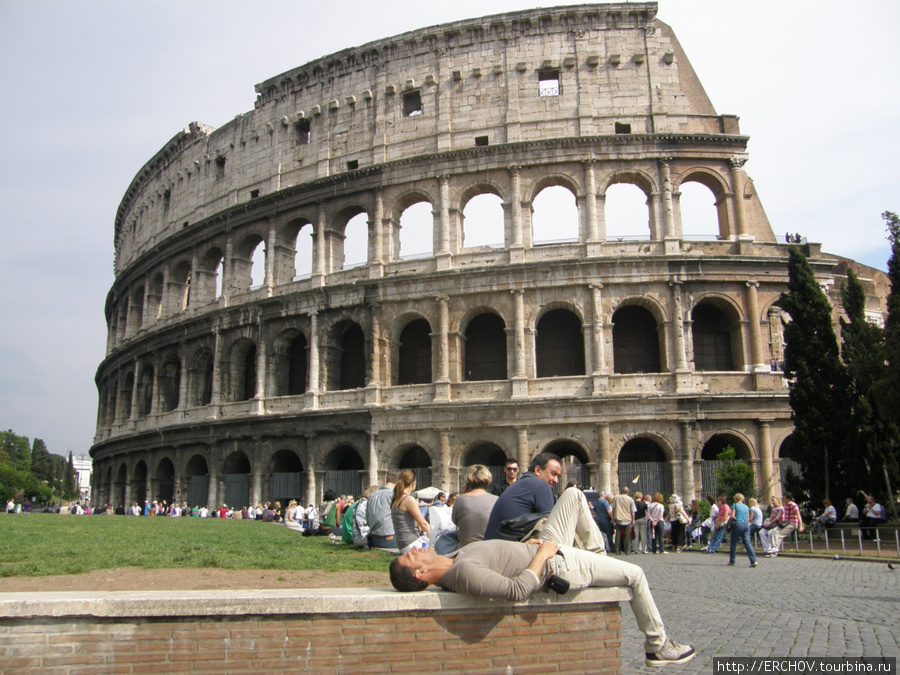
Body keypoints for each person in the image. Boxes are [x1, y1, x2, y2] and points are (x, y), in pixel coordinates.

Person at [389, 486, 695, 668]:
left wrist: (528, 547)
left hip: (542, 547)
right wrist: (541, 556)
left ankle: (599, 562)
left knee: (574, 494)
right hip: (557, 564)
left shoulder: (454, 556)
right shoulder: (463, 574)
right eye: (410, 556)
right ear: (420, 573)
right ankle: (658, 646)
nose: (413, 550)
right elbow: (517, 589)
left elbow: (501, 558)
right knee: (637, 575)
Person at [483, 453, 562, 540]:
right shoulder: (542, 485)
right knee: (574, 494)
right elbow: (550, 529)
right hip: (510, 549)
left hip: (495, 545)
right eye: (553, 474)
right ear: (538, 470)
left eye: (558, 476)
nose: (556, 480)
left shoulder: (518, 485)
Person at [452, 465, 499, 547]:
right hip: (488, 548)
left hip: (465, 549)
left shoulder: (460, 499)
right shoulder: (496, 500)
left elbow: (455, 521)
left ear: (468, 482)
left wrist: (464, 495)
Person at [391, 469, 430, 553]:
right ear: (414, 483)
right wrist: (433, 539)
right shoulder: (409, 499)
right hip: (412, 543)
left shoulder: (396, 498)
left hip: (403, 544)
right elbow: (424, 524)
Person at [367, 472, 399, 549]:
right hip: (390, 539)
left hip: (374, 539)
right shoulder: (394, 495)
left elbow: (367, 518)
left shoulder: (372, 496)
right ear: (398, 483)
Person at [726, 493, 758, 567]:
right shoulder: (746, 507)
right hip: (746, 525)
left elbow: (732, 516)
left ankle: (732, 561)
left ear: (735, 498)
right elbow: (748, 518)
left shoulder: (735, 505)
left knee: (733, 542)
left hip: (738, 524)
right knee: (747, 543)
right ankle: (753, 561)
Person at [767, 492, 802, 557]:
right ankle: (774, 550)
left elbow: (798, 515)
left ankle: (775, 549)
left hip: (793, 524)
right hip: (786, 523)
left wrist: (801, 526)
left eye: (784, 498)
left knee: (779, 534)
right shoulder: (784, 505)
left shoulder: (793, 505)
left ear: (788, 499)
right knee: (774, 531)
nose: (782, 499)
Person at [611, 487, 636, 555]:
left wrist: (612, 518)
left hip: (618, 518)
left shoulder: (616, 498)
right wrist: (633, 520)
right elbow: (633, 511)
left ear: (621, 491)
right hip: (627, 519)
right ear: (628, 492)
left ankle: (617, 550)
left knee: (618, 536)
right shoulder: (630, 499)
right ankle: (627, 551)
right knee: (627, 536)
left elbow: (613, 509)